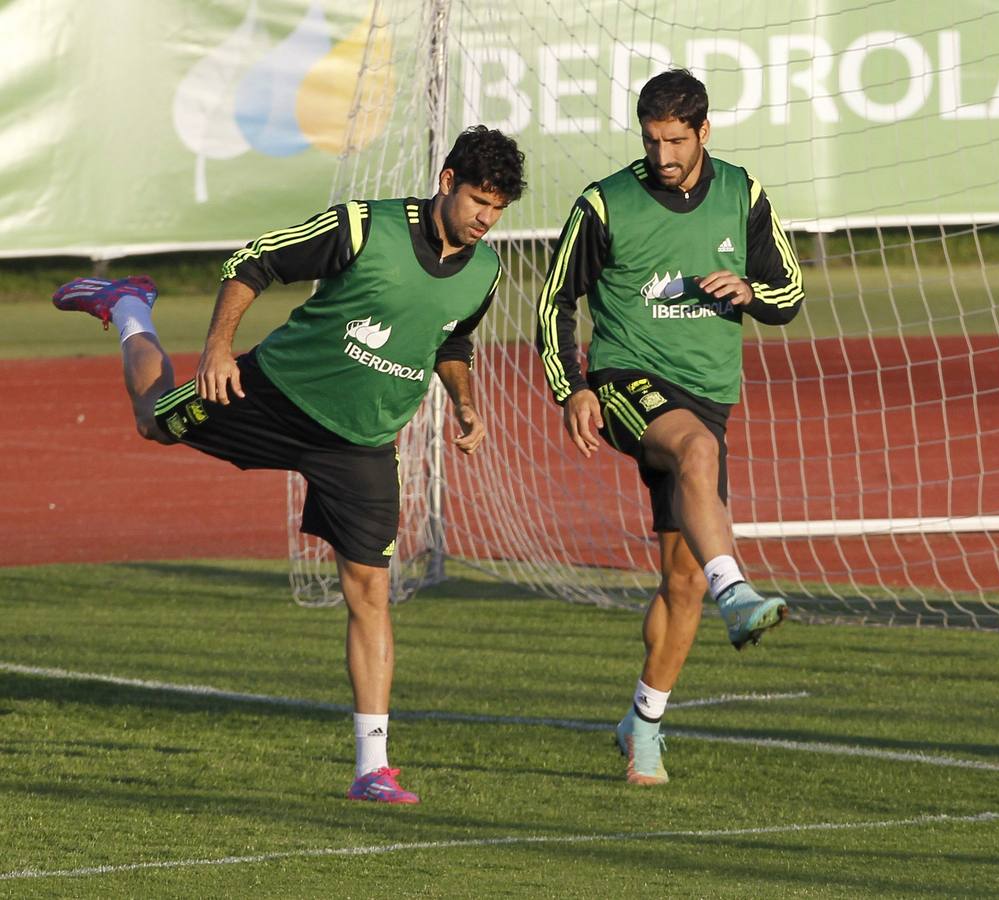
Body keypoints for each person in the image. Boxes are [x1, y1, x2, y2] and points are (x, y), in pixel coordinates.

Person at [52, 125, 525, 804]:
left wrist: (465, 402)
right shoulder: (365, 226)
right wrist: (218, 350)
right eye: (479, 200)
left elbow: (452, 339)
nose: (486, 218)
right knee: (153, 420)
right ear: (447, 181)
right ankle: (128, 306)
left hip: (361, 443)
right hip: (272, 394)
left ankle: (372, 769)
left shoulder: (485, 272)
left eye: (498, 208)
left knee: (370, 593)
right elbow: (253, 262)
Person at [536, 68, 805, 785]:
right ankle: (737, 592)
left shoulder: (742, 193)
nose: (663, 155)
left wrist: (750, 290)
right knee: (695, 447)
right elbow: (556, 300)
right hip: (628, 380)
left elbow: (789, 293)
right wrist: (572, 388)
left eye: (676, 141)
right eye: (652, 141)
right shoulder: (605, 203)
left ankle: (643, 727)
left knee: (681, 584)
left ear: (703, 131)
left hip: (709, 393)